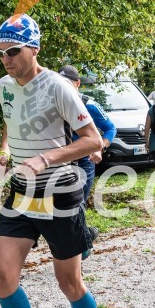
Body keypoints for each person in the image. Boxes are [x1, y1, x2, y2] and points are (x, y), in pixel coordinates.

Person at [0, 14, 105, 308]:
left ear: (34, 48)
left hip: (59, 191)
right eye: (1, 52)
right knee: (2, 277)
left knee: (69, 282)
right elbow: (11, 122)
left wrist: (45, 158)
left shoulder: (58, 86)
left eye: (14, 51)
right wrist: (5, 152)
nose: (6, 59)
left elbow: (93, 141)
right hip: (22, 192)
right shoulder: (4, 85)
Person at [57, 65, 117, 247]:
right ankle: (84, 235)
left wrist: (100, 148)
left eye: (67, 83)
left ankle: (81, 246)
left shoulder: (89, 104)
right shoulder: (52, 103)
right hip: (60, 159)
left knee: (78, 201)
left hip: (84, 159)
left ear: (77, 83)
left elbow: (110, 128)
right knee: (61, 203)